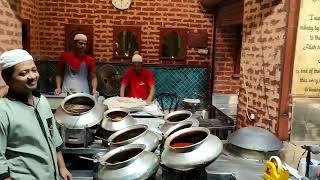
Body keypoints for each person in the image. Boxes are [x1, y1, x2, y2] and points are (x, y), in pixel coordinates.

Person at [0, 49, 72, 180]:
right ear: (7, 79)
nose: (32, 76)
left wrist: (62, 167)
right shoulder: (3, 111)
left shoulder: (42, 101)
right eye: (23, 73)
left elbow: (53, 136)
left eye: (34, 70)